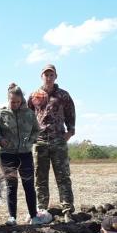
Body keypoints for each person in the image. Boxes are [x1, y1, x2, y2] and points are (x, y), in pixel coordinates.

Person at [0, 83, 50, 226]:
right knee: (11, 185)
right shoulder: (1, 114)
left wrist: (30, 141)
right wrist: (0, 140)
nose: (15, 104)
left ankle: (34, 216)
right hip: (7, 155)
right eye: (13, 101)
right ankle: (12, 217)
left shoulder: (29, 114)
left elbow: (36, 130)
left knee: (29, 185)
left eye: (18, 102)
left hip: (25, 154)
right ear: (8, 98)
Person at [27, 64, 76, 223]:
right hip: (39, 142)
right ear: (41, 76)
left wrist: (70, 131)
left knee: (63, 177)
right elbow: (27, 116)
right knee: (40, 178)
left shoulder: (63, 95)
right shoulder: (34, 95)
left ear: (56, 76)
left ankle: (67, 210)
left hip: (58, 142)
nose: (48, 77)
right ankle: (41, 210)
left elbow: (71, 114)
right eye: (46, 75)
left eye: (51, 75)